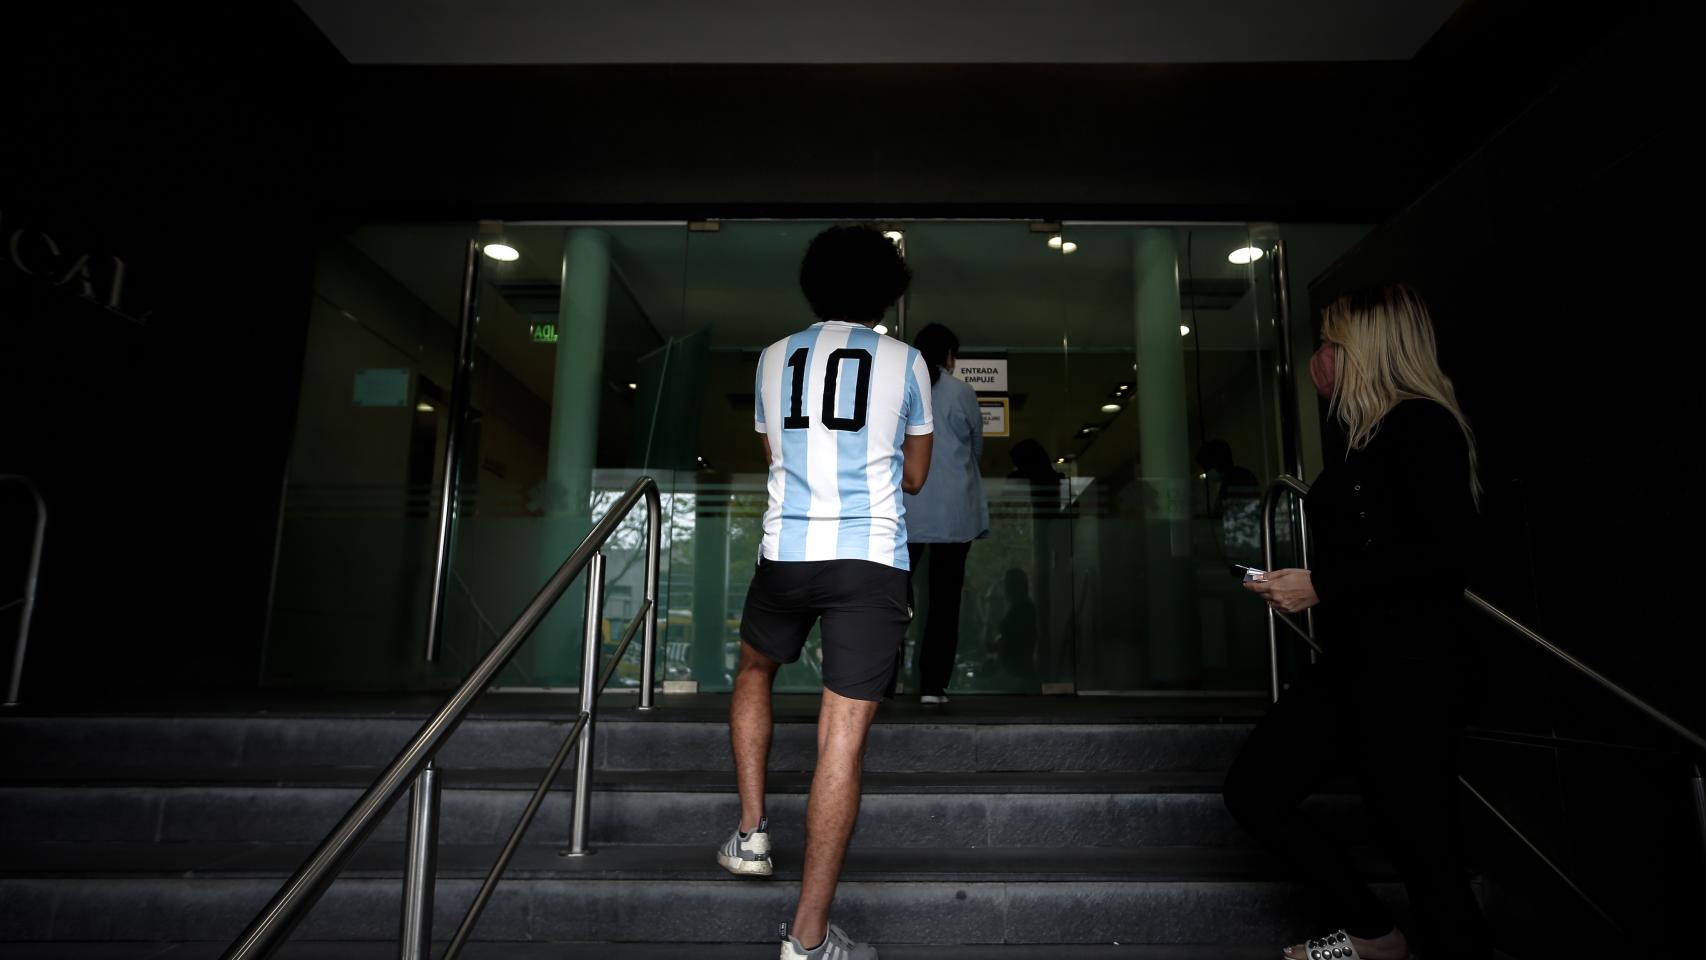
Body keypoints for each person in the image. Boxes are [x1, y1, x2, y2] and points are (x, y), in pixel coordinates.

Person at [1226, 284, 1491, 960]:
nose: (1319, 359)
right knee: (1257, 791)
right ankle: (1377, 934)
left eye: (1330, 343)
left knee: (1422, 849)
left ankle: (1406, 942)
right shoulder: (1357, 436)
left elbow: (1445, 556)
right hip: (1353, 664)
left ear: (1364, 350)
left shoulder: (1423, 426)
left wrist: (1320, 585)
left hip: (1412, 673)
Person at [719, 225, 933, 960]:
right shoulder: (908, 362)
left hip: (787, 552)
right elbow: (914, 477)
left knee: (755, 668)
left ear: (813, 284)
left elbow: (774, 451)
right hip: (869, 560)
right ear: (887, 291)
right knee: (841, 735)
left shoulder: (772, 358)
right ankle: (806, 941)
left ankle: (750, 834)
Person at [901, 322, 989, 703]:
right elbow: (977, 446)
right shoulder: (961, 391)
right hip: (953, 514)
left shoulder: (901, 387)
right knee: (944, 602)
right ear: (949, 354)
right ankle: (932, 687)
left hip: (904, 509)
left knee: (893, 601)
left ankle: (882, 683)